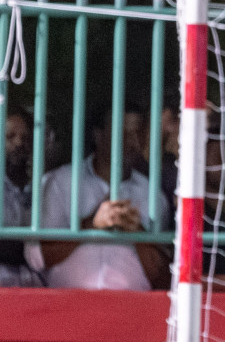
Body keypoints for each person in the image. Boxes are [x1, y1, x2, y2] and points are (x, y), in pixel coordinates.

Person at [32, 103, 170, 291]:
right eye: (122, 133)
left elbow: (162, 277)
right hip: (67, 306)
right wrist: (90, 225)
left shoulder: (153, 195)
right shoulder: (60, 182)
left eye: (137, 133)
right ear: (98, 135)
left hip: (133, 309)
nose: (131, 142)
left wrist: (137, 233)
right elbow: (41, 259)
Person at [2, 110, 41, 287]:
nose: (19, 143)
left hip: (36, 288)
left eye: (25, 138)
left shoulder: (42, 185)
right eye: (10, 136)